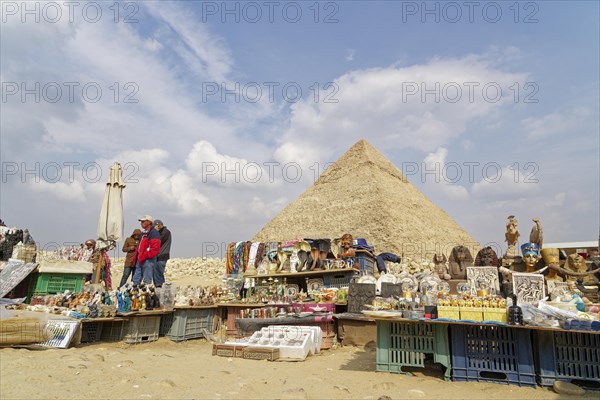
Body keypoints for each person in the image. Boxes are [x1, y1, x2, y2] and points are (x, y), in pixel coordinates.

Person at [132, 215, 161, 286]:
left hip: (148, 259)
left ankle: (146, 293)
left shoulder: (154, 233)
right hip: (141, 258)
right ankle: (134, 292)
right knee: (136, 278)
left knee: (147, 279)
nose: (141, 223)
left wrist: (146, 255)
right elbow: (140, 246)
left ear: (149, 222)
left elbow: (155, 248)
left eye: (143, 221)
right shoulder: (143, 233)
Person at [153, 219, 172, 287]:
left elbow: (158, 241)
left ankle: (162, 288)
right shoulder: (161, 232)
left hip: (162, 255)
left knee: (159, 273)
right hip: (158, 256)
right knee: (155, 273)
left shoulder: (166, 232)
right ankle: (158, 288)